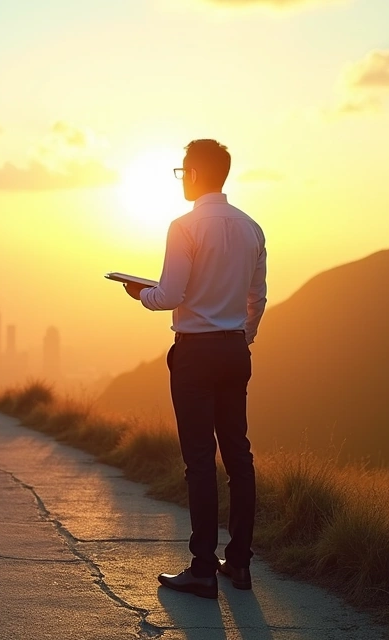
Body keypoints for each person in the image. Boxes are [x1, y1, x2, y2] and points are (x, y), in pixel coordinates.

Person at [122, 139, 267, 599]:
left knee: (200, 462)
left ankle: (203, 568)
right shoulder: (251, 228)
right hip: (233, 352)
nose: (182, 178)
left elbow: (169, 295)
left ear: (199, 173)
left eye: (184, 171)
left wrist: (139, 293)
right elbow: (257, 297)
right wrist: (242, 336)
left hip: (196, 355)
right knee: (239, 457)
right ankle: (238, 564)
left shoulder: (184, 227)